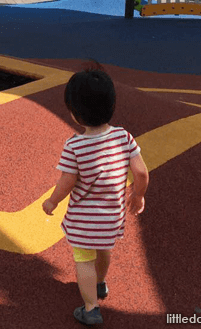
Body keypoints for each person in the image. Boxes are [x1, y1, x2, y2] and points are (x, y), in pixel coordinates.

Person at [42, 66, 149, 325]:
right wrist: (138, 196)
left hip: (83, 218)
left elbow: (67, 180)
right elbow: (141, 172)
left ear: (75, 114)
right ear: (112, 105)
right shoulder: (124, 137)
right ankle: (100, 285)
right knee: (104, 249)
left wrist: (52, 201)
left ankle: (90, 308)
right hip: (112, 215)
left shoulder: (74, 146)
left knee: (83, 259)